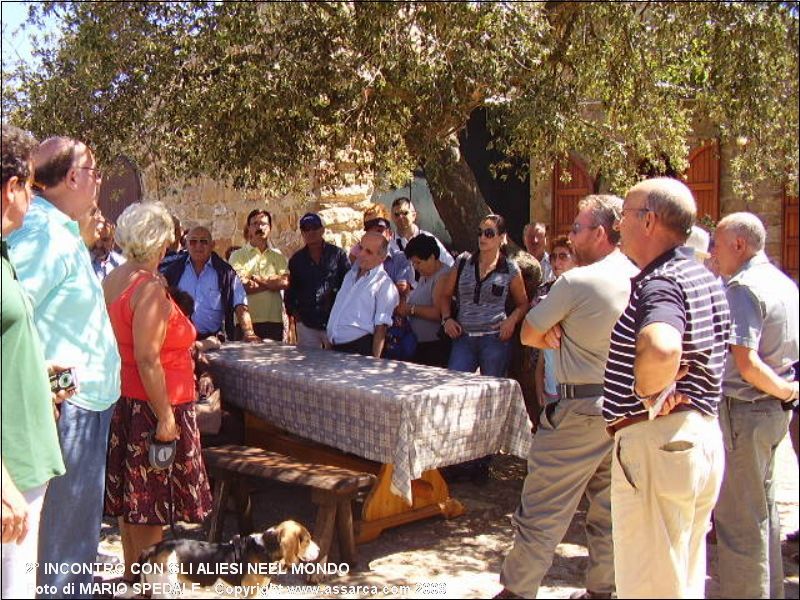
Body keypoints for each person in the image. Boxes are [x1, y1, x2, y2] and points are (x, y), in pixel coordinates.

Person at [497, 196, 637, 600]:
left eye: (576, 228)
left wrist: (554, 334)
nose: (571, 235)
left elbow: (529, 332)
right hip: (627, 408)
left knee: (542, 507)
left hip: (581, 407)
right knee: (609, 509)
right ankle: (602, 589)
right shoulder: (638, 275)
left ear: (599, 232)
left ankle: (518, 590)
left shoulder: (577, 282)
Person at [603, 177, 730, 598]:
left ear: (649, 220)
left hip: (658, 442)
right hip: (696, 440)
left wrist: (648, 391)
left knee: (649, 585)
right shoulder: (703, 276)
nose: (618, 226)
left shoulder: (663, 282)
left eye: (624, 215)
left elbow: (660, 345)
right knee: (678, 578)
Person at [7, 136, 122, 598]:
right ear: (73, 177)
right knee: (64, 554)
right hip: (71, 411)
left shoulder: (56, 229)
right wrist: (42, 381)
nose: (98, 182)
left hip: (80, 407)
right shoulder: (47, 234)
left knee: (70, 547)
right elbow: (15, 310)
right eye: (93, 172)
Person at [102, 202, 212, 584]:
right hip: (155, 404)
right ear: (156, 239)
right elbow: (149, 359)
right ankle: (153, 587)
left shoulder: (118, 278)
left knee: (133, 505)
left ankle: (137, 583)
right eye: (168, 237)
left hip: (131, 401)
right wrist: (165, 416)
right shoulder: (145, 287)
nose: (171, 244)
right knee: (149, 506)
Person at [711, 212, 799, 599]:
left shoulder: (743, 289)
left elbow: (746, 363)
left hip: (745, 412)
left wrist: (782, 391)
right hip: (771, 413)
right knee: (763, 514)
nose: (713, 251)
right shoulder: (784, 283)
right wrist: (786, 393)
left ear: (738, 245)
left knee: (738, 522)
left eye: (717, 242)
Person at [0, 125, 67, 599]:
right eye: (32, 187)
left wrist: (34, 374)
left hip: (23, 464)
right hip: (9, 474)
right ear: (11, 188)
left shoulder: (4, 254)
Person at [438, 213, 528, 378]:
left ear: (501, 238)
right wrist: (447, 319)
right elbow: (445, 295)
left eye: (489, 233)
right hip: (463, 337)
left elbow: (523, 304)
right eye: (480, 232)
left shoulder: (510, 268)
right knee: (453, 385)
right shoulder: (463, 261)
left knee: (491, 390)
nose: (482, 238)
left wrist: (511, 321)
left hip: (494, 339)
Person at [162, 225, 259, 342]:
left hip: (212, 342)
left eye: (203, 242)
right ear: (186, 245)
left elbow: (240, 304)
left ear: (212, 245)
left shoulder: (225, 273)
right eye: (193, 242)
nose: (198, 246)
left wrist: (249, 332)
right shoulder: (174, 271)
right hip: (178, 340)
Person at [326, 232, 399, 357]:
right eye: (360, 248)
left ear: (382, 258)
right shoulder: (350, 275)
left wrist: (374, 364)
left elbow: (381, 328)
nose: (360, 254)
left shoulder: (384, 285)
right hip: (335, 347)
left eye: (368, 252)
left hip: (358, 349)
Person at [285, 212, 350, 349]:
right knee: (307, 364)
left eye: (314, 227)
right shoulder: (296, 260)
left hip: (333, 320)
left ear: (322, 229)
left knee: (335, 363)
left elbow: (348, 284)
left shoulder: (338, 255)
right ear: (302, 233)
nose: (310, 232)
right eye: (306, 229)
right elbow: (291, 290)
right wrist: (296, 317)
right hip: (306, 323)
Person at [228, 209, 289, 341]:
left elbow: (285, 282)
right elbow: (242, 286)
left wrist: (258, 279)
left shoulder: (278, 256)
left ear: (270, 228)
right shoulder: (237, 256)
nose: (259, 227)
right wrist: (272, 285)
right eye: (255, 224)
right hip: (246, 322)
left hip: (274, 321)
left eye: (263, 224)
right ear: (249, 228)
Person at [534, 236, 578, 410]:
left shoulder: (583, 292)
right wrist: (538, 383)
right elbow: (540, 351)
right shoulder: (545, 291)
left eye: (563, 256)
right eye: (553, 257)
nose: (556, 262)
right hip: (551, 386)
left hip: (576, 389)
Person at [396, 233, 450, 366]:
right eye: (413, 263)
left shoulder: (442, 277)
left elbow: (439, 313)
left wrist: (410, 310)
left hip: (435, 347)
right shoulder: (425, 275)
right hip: (419, 344)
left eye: (418, 262)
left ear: (432, 257)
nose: (416, 267)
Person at [355, 204, 414, 295]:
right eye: (370, 231)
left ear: (389, 233)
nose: (375, 235)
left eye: (379, 231)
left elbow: (402, 291)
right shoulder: (359, 259)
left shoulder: (400, 259)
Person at [389, 197, 454, 267]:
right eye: (396, 214)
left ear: (414, 215)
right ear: (392, 217)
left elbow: (449, 264)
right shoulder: (389, 243)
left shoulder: (428, 239)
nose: (400, 217)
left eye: (405, 213)